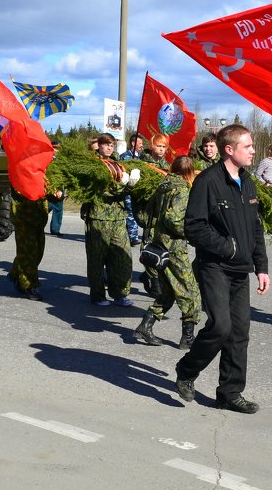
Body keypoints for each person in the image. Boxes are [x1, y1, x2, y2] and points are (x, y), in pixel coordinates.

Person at [175, 124, 270, 414]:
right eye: (248, 146)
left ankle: (229, 392)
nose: (254, 150)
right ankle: (187, 369)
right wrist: (226, 247)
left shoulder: (248, 181)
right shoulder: (207, 181)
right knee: (220, 326)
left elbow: (255, 227)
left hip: (240, 270)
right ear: (230, 150)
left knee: (239, 333)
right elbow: (193, 226)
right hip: (214, 266)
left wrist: (261, 266)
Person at [135, 155, 201, 349]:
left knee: (169, 291)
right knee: (191, 292)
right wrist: (190, 232)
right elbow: (173, 219)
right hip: (174, 249)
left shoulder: (162, 186)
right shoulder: (182, 190)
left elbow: (146, 215)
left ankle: (145, 326)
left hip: (159, 245)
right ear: (189, 172)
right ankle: (187, 337)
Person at [83, 133, 137, 306]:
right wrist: (120, 187)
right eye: (106, 144)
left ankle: (120, 293)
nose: (109, 147)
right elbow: (98, 190)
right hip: (98, 216)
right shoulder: (92, 164)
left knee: (122, 257)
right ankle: (98, 295)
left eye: (112, 145)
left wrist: (131, 185)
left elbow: (126, 192)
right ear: (98, 145)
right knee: (97, 259)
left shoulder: (119, 164)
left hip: (118, 217)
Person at [10, 190, 49, 300]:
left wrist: (56, 193)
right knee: (28, 254)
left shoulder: (41, 174)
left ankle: (15, 274)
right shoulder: (20, 173)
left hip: (39, 219)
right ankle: (30, 286)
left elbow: (46, 189)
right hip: (24, 219)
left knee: (38, 253)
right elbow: (24, 188)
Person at [118, 133, 144, 246]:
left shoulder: (140, 157)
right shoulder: (125, 156)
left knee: (136, 212)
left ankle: (132, 234)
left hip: (137, 190)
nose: (142, 146)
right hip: (128, 189)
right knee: (130, 212)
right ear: (133, 143)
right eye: (140, 143)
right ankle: (132, 237)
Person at [46, 141, 65, 236]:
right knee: (45, 209)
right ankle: (36, 228)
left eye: (59, 149)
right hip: (48, 189)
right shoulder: (46, 160)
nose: (57, 150)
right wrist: (53, 190)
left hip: (60, 189)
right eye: (55, 148)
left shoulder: (62, 161)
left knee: (58, 210)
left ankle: (55, 230)